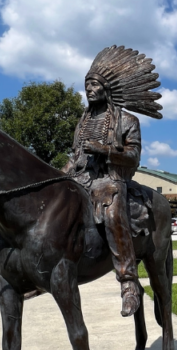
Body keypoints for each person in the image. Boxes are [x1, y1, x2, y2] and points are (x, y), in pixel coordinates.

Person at [65, 46, 163, 317]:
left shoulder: (127, 121)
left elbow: (133, 156)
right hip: (80, 178)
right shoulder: (83, 122)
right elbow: (74, 158)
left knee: (112, 210)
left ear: (106, 89)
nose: (89, 89)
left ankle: (128, 282)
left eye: (94, 84)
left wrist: (104, 150)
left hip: (109, 180)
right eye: (87, 84)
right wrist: (57, 175)